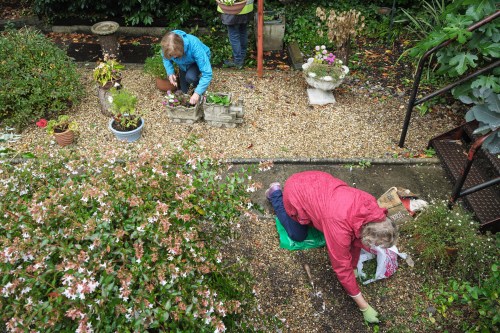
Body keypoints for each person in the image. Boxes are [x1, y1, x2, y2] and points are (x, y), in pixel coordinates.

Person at [265, 171, 398, 324]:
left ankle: (303, 208)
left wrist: (354, 266)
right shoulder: (339, 228)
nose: (377, 248)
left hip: (318, 181)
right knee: (297, 235)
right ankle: (275, 194)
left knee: (320, 225)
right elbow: (341, 267)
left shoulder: (372, 207)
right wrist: (364, 307)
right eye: (377, 244)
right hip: (295, 191)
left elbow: (356, 240)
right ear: (368, 233)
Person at [161, 30, 212, 105]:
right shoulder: (167, 45)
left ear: (181, 48)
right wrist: (170, 72)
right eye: (171, 55)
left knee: (190, 77)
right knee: (184, 92)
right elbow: (166, 59)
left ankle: (199, 87)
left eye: (175, 55)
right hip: (183, 64)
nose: (174, 57)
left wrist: (197, 93)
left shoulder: (194, 46)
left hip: (195, 62)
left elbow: (207, 73)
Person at [217, 0, 254, 68]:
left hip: (232, 10)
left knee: (234, 35)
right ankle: (242, 57)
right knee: (243, 32)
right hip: (246, 9)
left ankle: (238, 61)